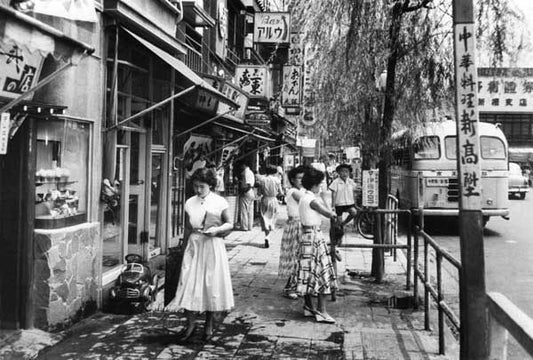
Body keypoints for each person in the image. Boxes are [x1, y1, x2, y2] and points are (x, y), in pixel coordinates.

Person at [165, 168, 234, 342]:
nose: (197, 190)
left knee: (211, 284)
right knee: (189, 282)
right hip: (195, 245)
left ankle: (209, 325)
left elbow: (230, 224)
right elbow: (188, 227)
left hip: (212, 245)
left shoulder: (219, 202)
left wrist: (217, 230)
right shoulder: (189, 202)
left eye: (201, 186)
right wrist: (183, 250)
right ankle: (190, 324)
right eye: (195, 186)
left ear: (210, 185)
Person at [296, 166, 338, 323]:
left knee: (308, 272)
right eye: (319, 184)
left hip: (307, 236)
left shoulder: (303, 197)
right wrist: (325, 199)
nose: (321, 187)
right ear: (314, 185)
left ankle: (308, 306)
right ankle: (321, 310)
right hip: (314, 236)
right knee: (321, 273)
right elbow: (330, 213)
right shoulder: (312, 200)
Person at [278, 165, 306, 299]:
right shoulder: (293, 191)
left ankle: (296, 285)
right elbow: (307, 201)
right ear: (293, 180)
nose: (301, 180)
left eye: (303, 178)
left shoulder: (303, 191)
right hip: (295, 225)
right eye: (299, 178)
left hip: (302, 225)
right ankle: (290, 287)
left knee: (301, 257)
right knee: (294, 257)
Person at [257, 165, 284, 248]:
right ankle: (268, 236)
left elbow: (259, 193)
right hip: (273, 200)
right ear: (274, 172)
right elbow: (281, 192)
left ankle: (266, 236)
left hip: (264, 199)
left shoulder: (262, 180)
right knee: (272, 217)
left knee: (265, 217)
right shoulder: (277, 180)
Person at [329, 163, 358, 231]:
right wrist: (333, 206)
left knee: (354, 212)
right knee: (338, 220)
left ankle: (344, 223)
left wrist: (355, 202)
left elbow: (354, 191)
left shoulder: (351, 182)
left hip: (349, 203)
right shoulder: (335, 182)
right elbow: (333, 194)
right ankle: (338, 231)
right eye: (342, 171)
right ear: (339, 172)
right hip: (339, 203)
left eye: (346, 171)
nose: (344, 173)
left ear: (349, 173)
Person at [238, 163, 256, 231]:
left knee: (244, 210)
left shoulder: (246, 172)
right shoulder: (250, 172)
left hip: (247, 192)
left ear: (244, 165)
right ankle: (249, 226)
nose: (240, 167)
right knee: (250, 210)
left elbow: (249, 185)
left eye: (241, 166)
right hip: (251, 192)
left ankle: (244, 227)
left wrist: (243, 191)